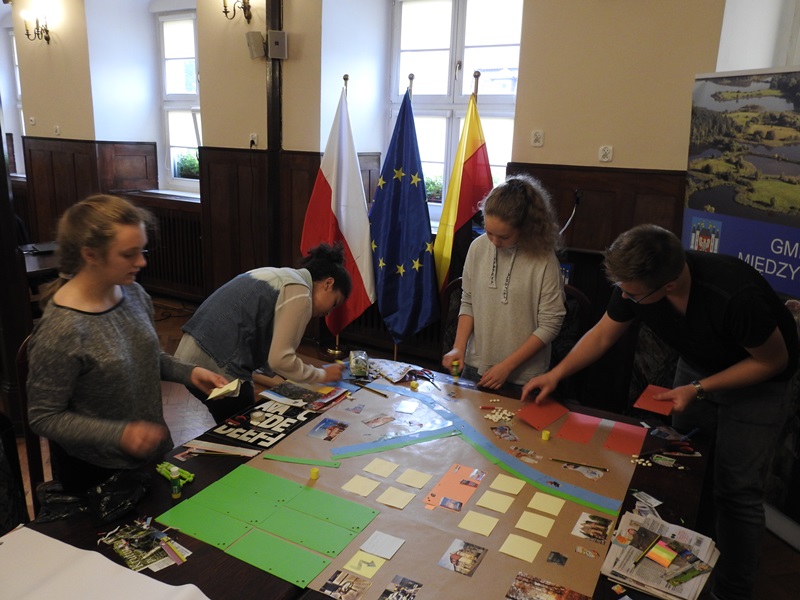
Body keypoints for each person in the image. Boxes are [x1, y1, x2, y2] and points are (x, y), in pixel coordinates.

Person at [522, 224, 799, 600]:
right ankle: (694, 559)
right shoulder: (637, 282)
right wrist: (556, 374)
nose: (624, 297)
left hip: (758, 382)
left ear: (668, 286)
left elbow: (773, 362)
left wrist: (700, 389)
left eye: (632, 294)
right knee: (688, 469)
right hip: (698, 367)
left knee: (737, 490)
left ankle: (732, 591)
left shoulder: (734, 295)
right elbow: (603, 333)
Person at [27, 195, 227, 494]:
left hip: (152, 454)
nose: (141, 262)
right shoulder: (61, 330)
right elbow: (44, 417)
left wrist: (189, 373)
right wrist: (119, 434)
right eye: (129, 254)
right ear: (90, 255)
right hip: (97, 475)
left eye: (141, 250)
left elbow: (147, 357)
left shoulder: (133, 294)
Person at [174, 242, 351, 423]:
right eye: (334, 303)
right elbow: (280, 360)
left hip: (189, 357)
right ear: (328, 283)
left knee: (235, 425)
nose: (328, 313)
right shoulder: (300, 292)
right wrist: (322, 376)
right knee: (245, 430)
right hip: (215, 366)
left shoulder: (280, 275)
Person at [442, 174, 566, 390]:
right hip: (476, 364)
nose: (495, 242)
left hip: (523, 375)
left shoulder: (544, 260)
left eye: (504, 237)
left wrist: (507, 366)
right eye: (489, 232)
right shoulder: (477, 248)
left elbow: (550, 325)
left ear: (526, 228)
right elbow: (468, 301)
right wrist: (459, 348)